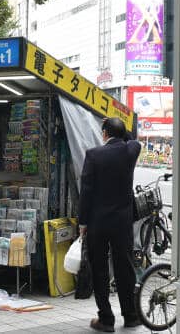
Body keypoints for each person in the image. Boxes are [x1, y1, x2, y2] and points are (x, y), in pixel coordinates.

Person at [79, 117, 142, 332]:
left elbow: (86, 192)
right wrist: (122, 131)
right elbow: (132, 139)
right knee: (125, 267)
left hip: (98, 221)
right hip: (122, 222)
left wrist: (83, 222)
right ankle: (131, 316)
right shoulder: (131, 150)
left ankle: (106, 319)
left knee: (100, 269)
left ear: (104, 133)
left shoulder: (93, 155)